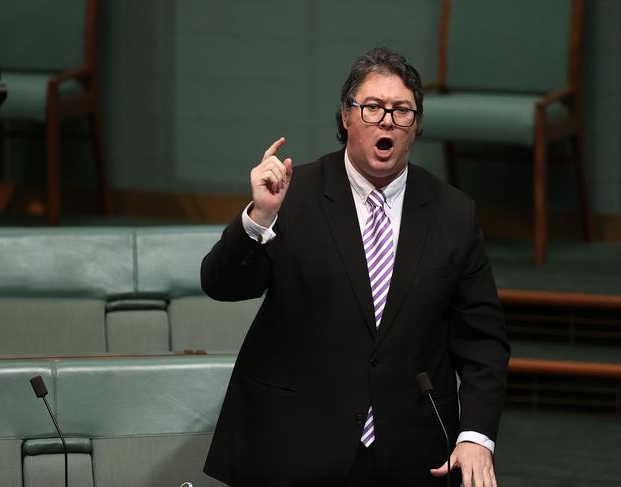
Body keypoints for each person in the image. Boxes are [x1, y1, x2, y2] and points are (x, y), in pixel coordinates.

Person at [201, 47, 510, 486]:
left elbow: (483, 341)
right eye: (372, 108)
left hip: (411, 449)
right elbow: (221, 284)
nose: (387, 120)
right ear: (346, 117)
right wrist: (260, 217)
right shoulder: (294, 194)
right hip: (294, 440)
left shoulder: (453, 213)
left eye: (402, 110)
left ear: (416, 125)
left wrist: (477, 435)